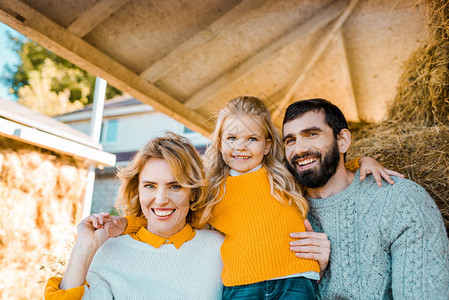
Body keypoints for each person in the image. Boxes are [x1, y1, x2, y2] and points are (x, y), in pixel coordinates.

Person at [118, 96, 399, 299]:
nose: (240, 147)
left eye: (251, 139)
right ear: (219, 142)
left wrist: (364, 160)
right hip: (243, 286)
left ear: (267, 145)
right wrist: (122, 226)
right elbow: (168, 214)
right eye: (232, 139)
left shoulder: (285, 175)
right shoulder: (210, 188)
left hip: (296, 280)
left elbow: (325, 166)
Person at [283, 98, 449, 299]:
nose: (299, 149)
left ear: (343, 140)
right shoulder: (284, 211)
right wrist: (314, 278)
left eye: (311, 134)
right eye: (290, 140)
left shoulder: (400, 201)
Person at [45, 133, 224, 299]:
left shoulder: (218, 248)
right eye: (150, 186)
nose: (161, 200)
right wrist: (83, 248)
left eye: (175, 186)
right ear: (137, 191)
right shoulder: (109, 252)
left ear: (193, 193)